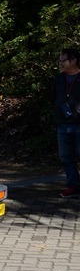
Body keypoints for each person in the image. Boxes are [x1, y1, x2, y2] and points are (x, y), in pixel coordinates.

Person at [54, 48, 80, 198]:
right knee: (66, 157)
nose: (61, 63)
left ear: (74, 60)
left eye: (64, 60)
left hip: (78, 124)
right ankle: (73, 185)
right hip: (62, 124)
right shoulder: (58, 79)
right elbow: (54, 98)